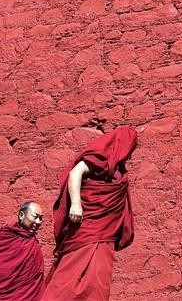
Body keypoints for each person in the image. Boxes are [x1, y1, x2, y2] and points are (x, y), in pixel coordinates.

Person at [44, 127, 137, 301]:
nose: (130, 155)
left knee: (97, 281)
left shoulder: (118, 171)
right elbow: (75, 173)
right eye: (130, 149)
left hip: (105, 233)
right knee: (69, 277)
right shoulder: (100, 158)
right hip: (86, 230)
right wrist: (76, 205)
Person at [0, 201, 46, 300]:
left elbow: (35, 278)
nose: (38, 222)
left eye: (40, 218)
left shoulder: (33, 244)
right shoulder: (4, 236)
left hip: (27, 296)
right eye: (35, 217)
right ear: (21, 215)